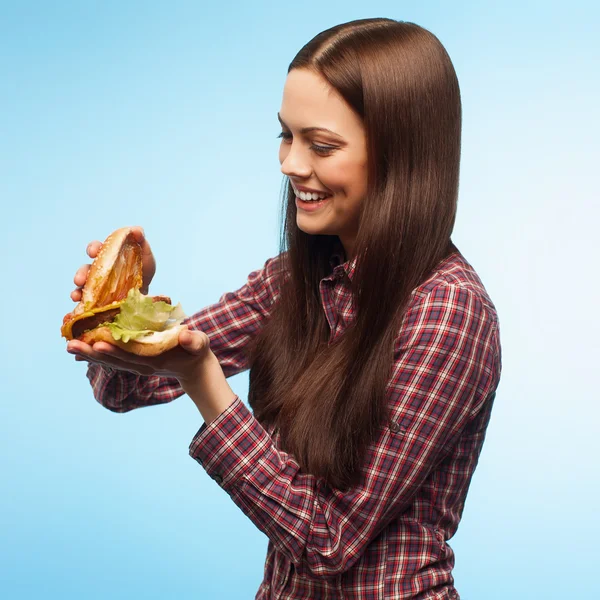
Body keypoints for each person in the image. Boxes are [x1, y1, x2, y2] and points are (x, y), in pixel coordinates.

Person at [66, 18, 501, 600]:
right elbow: (121, 389)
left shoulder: (449, 312)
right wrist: (124, 304)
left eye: (320, 144)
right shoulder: (294, 281)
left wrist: (205, 383)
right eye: (285, 135)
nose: (290, 164)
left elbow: (329, 539)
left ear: (402, 156)